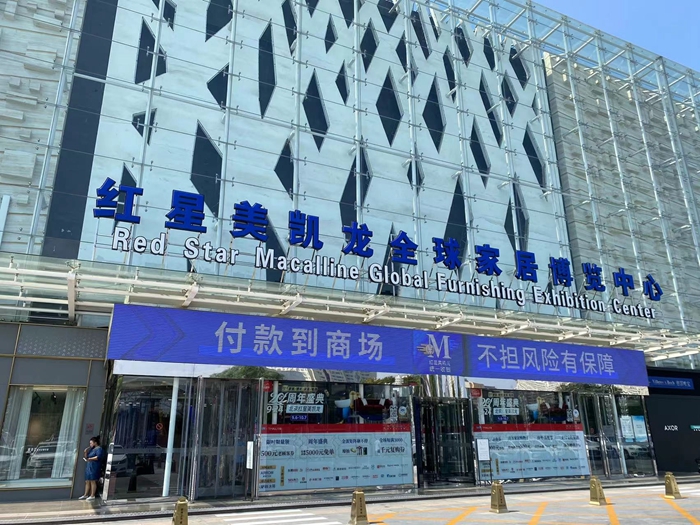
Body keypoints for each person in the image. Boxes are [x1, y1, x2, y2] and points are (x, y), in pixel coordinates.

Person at [79, 436, 104, 501]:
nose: (90, 444)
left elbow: (98, 457)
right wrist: (85, 452)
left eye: (91, 443)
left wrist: (90, 459)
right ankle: (85, 494)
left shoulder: (99, 449)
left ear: (95, 443)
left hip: (94, 466)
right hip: (89, 466)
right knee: (87, 480)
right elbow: (86, 457)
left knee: (93, 480)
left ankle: (92, 495)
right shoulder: (92, 449)